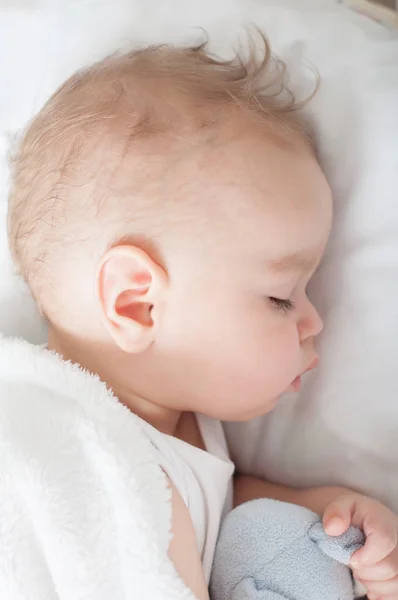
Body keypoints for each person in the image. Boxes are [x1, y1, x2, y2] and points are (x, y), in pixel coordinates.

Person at [7, 38, 398, 600]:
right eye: (282, 297)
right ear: (136, 304)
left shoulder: (176, 434)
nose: (314, 322)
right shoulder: (67, 448)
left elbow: (226, 504)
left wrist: (331, 514)